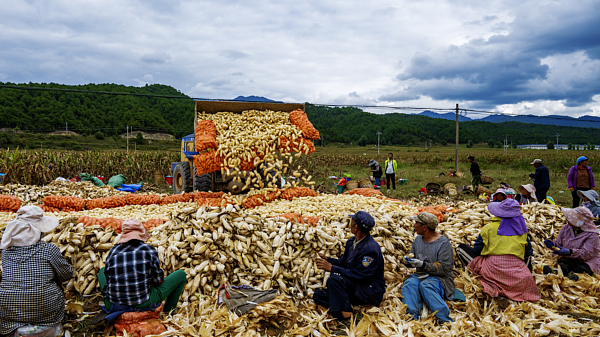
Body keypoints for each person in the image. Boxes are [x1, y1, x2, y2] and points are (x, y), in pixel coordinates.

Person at [0, 206, 73, 335]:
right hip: (45, 311)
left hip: (9, 312)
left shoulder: (6, 252)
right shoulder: (49, 249)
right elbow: (66, 275)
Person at [456, 199, 540, 302]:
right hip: (518, 275)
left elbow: (477, 250)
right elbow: (528, 254)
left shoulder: (488, 228)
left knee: (461, 248)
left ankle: (487, 282)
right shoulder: (521, 230)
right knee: (528, 259)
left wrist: (492, 250)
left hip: (492, 270)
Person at [98, 219, 187, 316]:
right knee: (181, 275)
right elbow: (158, 281)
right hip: (143, 302)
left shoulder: (113, 251)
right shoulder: (148, 250)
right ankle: (168, 312)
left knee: (102, 271)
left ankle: (116, 306)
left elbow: (109, 277)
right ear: (141, 233)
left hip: (113, 303)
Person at [313, 211, 385, 329]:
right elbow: (344, 263)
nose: (349, 223)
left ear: (356, 227)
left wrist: (331, 268)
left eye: (351, 221)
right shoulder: (352, 241)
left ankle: (348, 319)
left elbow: (360, 275)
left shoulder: (370, 249)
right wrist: (328, 259)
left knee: (334, 281)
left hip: (368, 289)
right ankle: (345, 314)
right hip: (355, 285)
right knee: (318, 295)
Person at [401, 212, 454, 323]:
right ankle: (412, 317)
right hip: (421, 275)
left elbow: (445, 268)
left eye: (417, 223)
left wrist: (423, 265)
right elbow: (413, 255)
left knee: (426, 286)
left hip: (440, 278)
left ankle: (444, 319)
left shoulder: (443, 243)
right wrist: (407, 261)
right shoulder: (418, 240)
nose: (414, 225)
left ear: (424, 227)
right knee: (409, 284)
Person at [542, 207, 600, 281]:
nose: (569, 221)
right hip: (569, 258)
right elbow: (559, 243)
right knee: (563, 265)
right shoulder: (566, 228)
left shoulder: (592, 235)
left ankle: (575, 278)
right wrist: (554, 245)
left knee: (582, 270)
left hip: (587, 261)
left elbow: (586, 254)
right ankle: (554, 273)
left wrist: (570, 252)